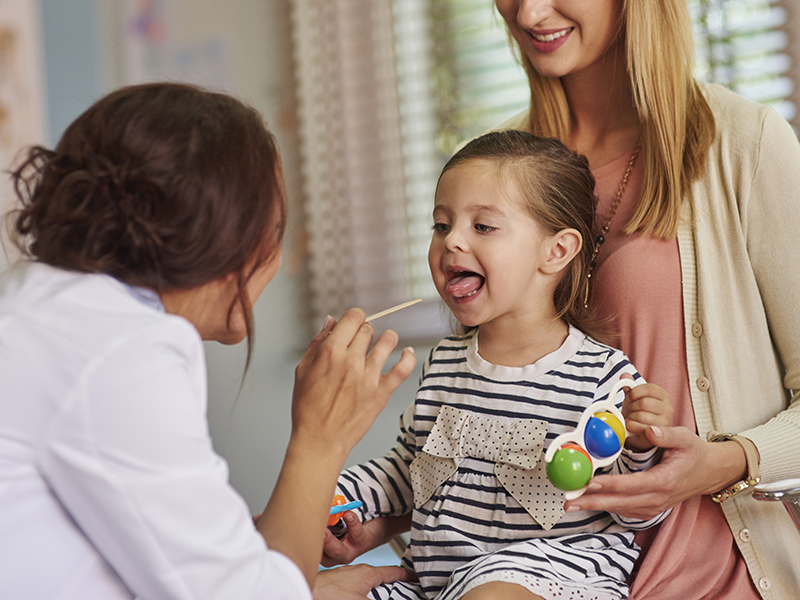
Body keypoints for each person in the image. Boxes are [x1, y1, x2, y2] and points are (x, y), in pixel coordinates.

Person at [323, 2, 800, 597]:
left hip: (700, 574)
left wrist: (724, 462)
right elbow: (481, 437)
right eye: (443, 226)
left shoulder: (746, 143)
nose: (527, 11)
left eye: (481, 227)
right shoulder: (497, 164)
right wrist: (375, 516)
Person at [0, 82, 418, 600]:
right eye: (275, 229)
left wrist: (270, 567)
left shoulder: (43, 303)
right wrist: (322, 437)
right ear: (225, 234)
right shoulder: (119, 356)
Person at [326, 130, 674, 600]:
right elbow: (409, 471)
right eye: (441, 225)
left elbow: (640, 512)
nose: (452, 241)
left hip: (553, 579)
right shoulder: (444, 364)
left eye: (483, 227)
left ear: (556, 251)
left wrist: (638, 446)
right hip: (438, 584)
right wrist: (333, 496)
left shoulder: (604, 377)